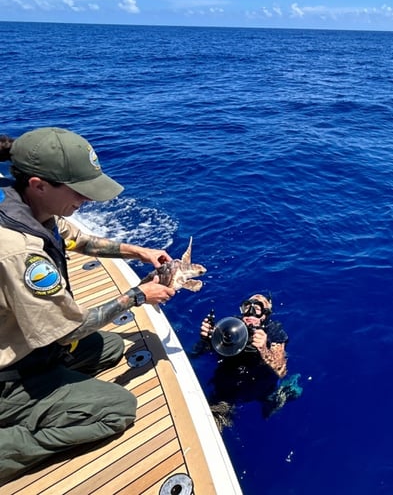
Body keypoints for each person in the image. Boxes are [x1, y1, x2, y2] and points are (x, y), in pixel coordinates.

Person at [0, 127, 176, 483]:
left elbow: (78, 239)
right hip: (9, 377)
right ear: (39, 184)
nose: (89, 200)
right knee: (117, 409)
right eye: (79, 191)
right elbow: (70, 331)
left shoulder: (22, 203)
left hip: (31, 349)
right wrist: (140, 295)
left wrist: (137, 251)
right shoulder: (20, 252)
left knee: (109, 347)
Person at [198, 293, 300, 430]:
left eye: (258, 307)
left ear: (265, 314)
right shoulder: (231, 325)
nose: (251, 311)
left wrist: (264, 348)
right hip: (228, 385)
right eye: (247, 306)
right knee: (213, 418)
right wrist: (207, 339)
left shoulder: (274, 331)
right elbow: (199, 353)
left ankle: (285, 391)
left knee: (278, 400)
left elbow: (280, 370)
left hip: (261, 383)